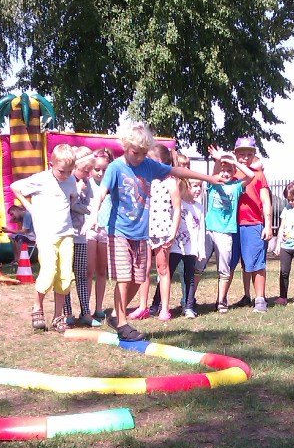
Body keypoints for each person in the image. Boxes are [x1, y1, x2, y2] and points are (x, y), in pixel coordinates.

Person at [87, 122, 220, 343]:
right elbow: (102, 192)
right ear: (125, 146)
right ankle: (122, 325)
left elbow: (177, 171)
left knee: (138, 278)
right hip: (119, 231)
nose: (139, 158)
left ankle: (116, 315)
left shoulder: (148, 165)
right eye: (135, 153)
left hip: (141, 234)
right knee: (124, 278)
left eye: (143, 153)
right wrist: (94, 215)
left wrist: (209, 178)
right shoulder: (115, 168)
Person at [11, 144, 89, 334]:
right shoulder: (41, 179)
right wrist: (29, 207)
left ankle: (57, 316)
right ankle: (37, 307)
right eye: (62, 171)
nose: (66, 175)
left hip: (66, 234)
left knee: (65, 277)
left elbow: (72, 198)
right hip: (47, 234)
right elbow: (15, 187)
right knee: (48, 271)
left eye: (69, 171)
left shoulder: (70, 180)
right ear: (51, 164)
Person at [128, 143, 181, 322]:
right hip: (144, 230)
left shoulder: (170, 181)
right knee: (143, 269)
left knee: (163, 268)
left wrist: (173, 232)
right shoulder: (145, 180)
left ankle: (165, 309)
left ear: (160, 162)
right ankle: (142, 306)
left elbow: (177, 209)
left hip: (162, 230)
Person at [205, 149, 254, 313]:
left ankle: (221, 301)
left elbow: (251, 176)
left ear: (234, 172)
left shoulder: (236, 186)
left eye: (229, 170)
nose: (225, 173)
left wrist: (235, 162)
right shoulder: (213, 183)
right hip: (209, 230)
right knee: (198, 267)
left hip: (226, 232)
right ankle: (190, 301)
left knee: (224, 270)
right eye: (222, 170)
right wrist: (218, 160)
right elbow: (214, 173)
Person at [234, 136, 273, 312]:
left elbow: (266, 201)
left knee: (257, 263)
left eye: (249, 154)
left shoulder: (259, 175)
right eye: (241, 154)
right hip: (234, 225)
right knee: (245, 264)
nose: (245, 157)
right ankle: (246, 295)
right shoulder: (231, 173)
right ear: (235, 154)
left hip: (254, 224)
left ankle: (260, 299)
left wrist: (268, 225)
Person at [63, 146, 97, 327]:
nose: (88, 174)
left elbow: (90, 204)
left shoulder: (87, 182)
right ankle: (67, 313)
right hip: (66, 234)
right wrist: (77, 192)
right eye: (85, 170)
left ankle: (86, 312)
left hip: (81, 235)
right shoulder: (66, 180)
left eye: (90, 170)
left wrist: (87, 209)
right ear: (75, 166)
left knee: (82, 274)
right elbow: (66, 204)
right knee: (65, 275)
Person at [169, 178, 207, 318]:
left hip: (191, 249)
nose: (198, 189)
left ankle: (189, 306)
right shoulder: (178, 203)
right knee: (167, 274)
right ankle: (157, 304)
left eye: (200, 186)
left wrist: (201, 249)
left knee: (189, 277)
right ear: (186, 186)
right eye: (195, 186)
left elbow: (201, 229)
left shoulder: (199, 207)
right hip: (175, 247)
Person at [86, 147, 113, 323]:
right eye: (97, 169)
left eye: (104, 170)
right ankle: (86, 307)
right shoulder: (86, 183)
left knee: (102, 270)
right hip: (89, 229)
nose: (100, 173)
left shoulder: (110, 185)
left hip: (105, 230)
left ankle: (99, 307)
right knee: (89, 270)